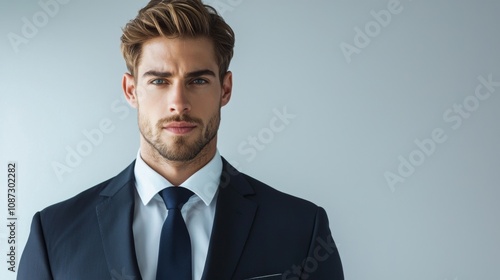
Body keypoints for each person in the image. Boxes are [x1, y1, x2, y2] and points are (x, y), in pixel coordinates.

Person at [18, 0, 344, 279]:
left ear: (225, 89)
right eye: (159, 80)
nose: (179, 102)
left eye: (198, 80)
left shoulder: (302, 228)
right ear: (131, 90)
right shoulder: (54, 233)